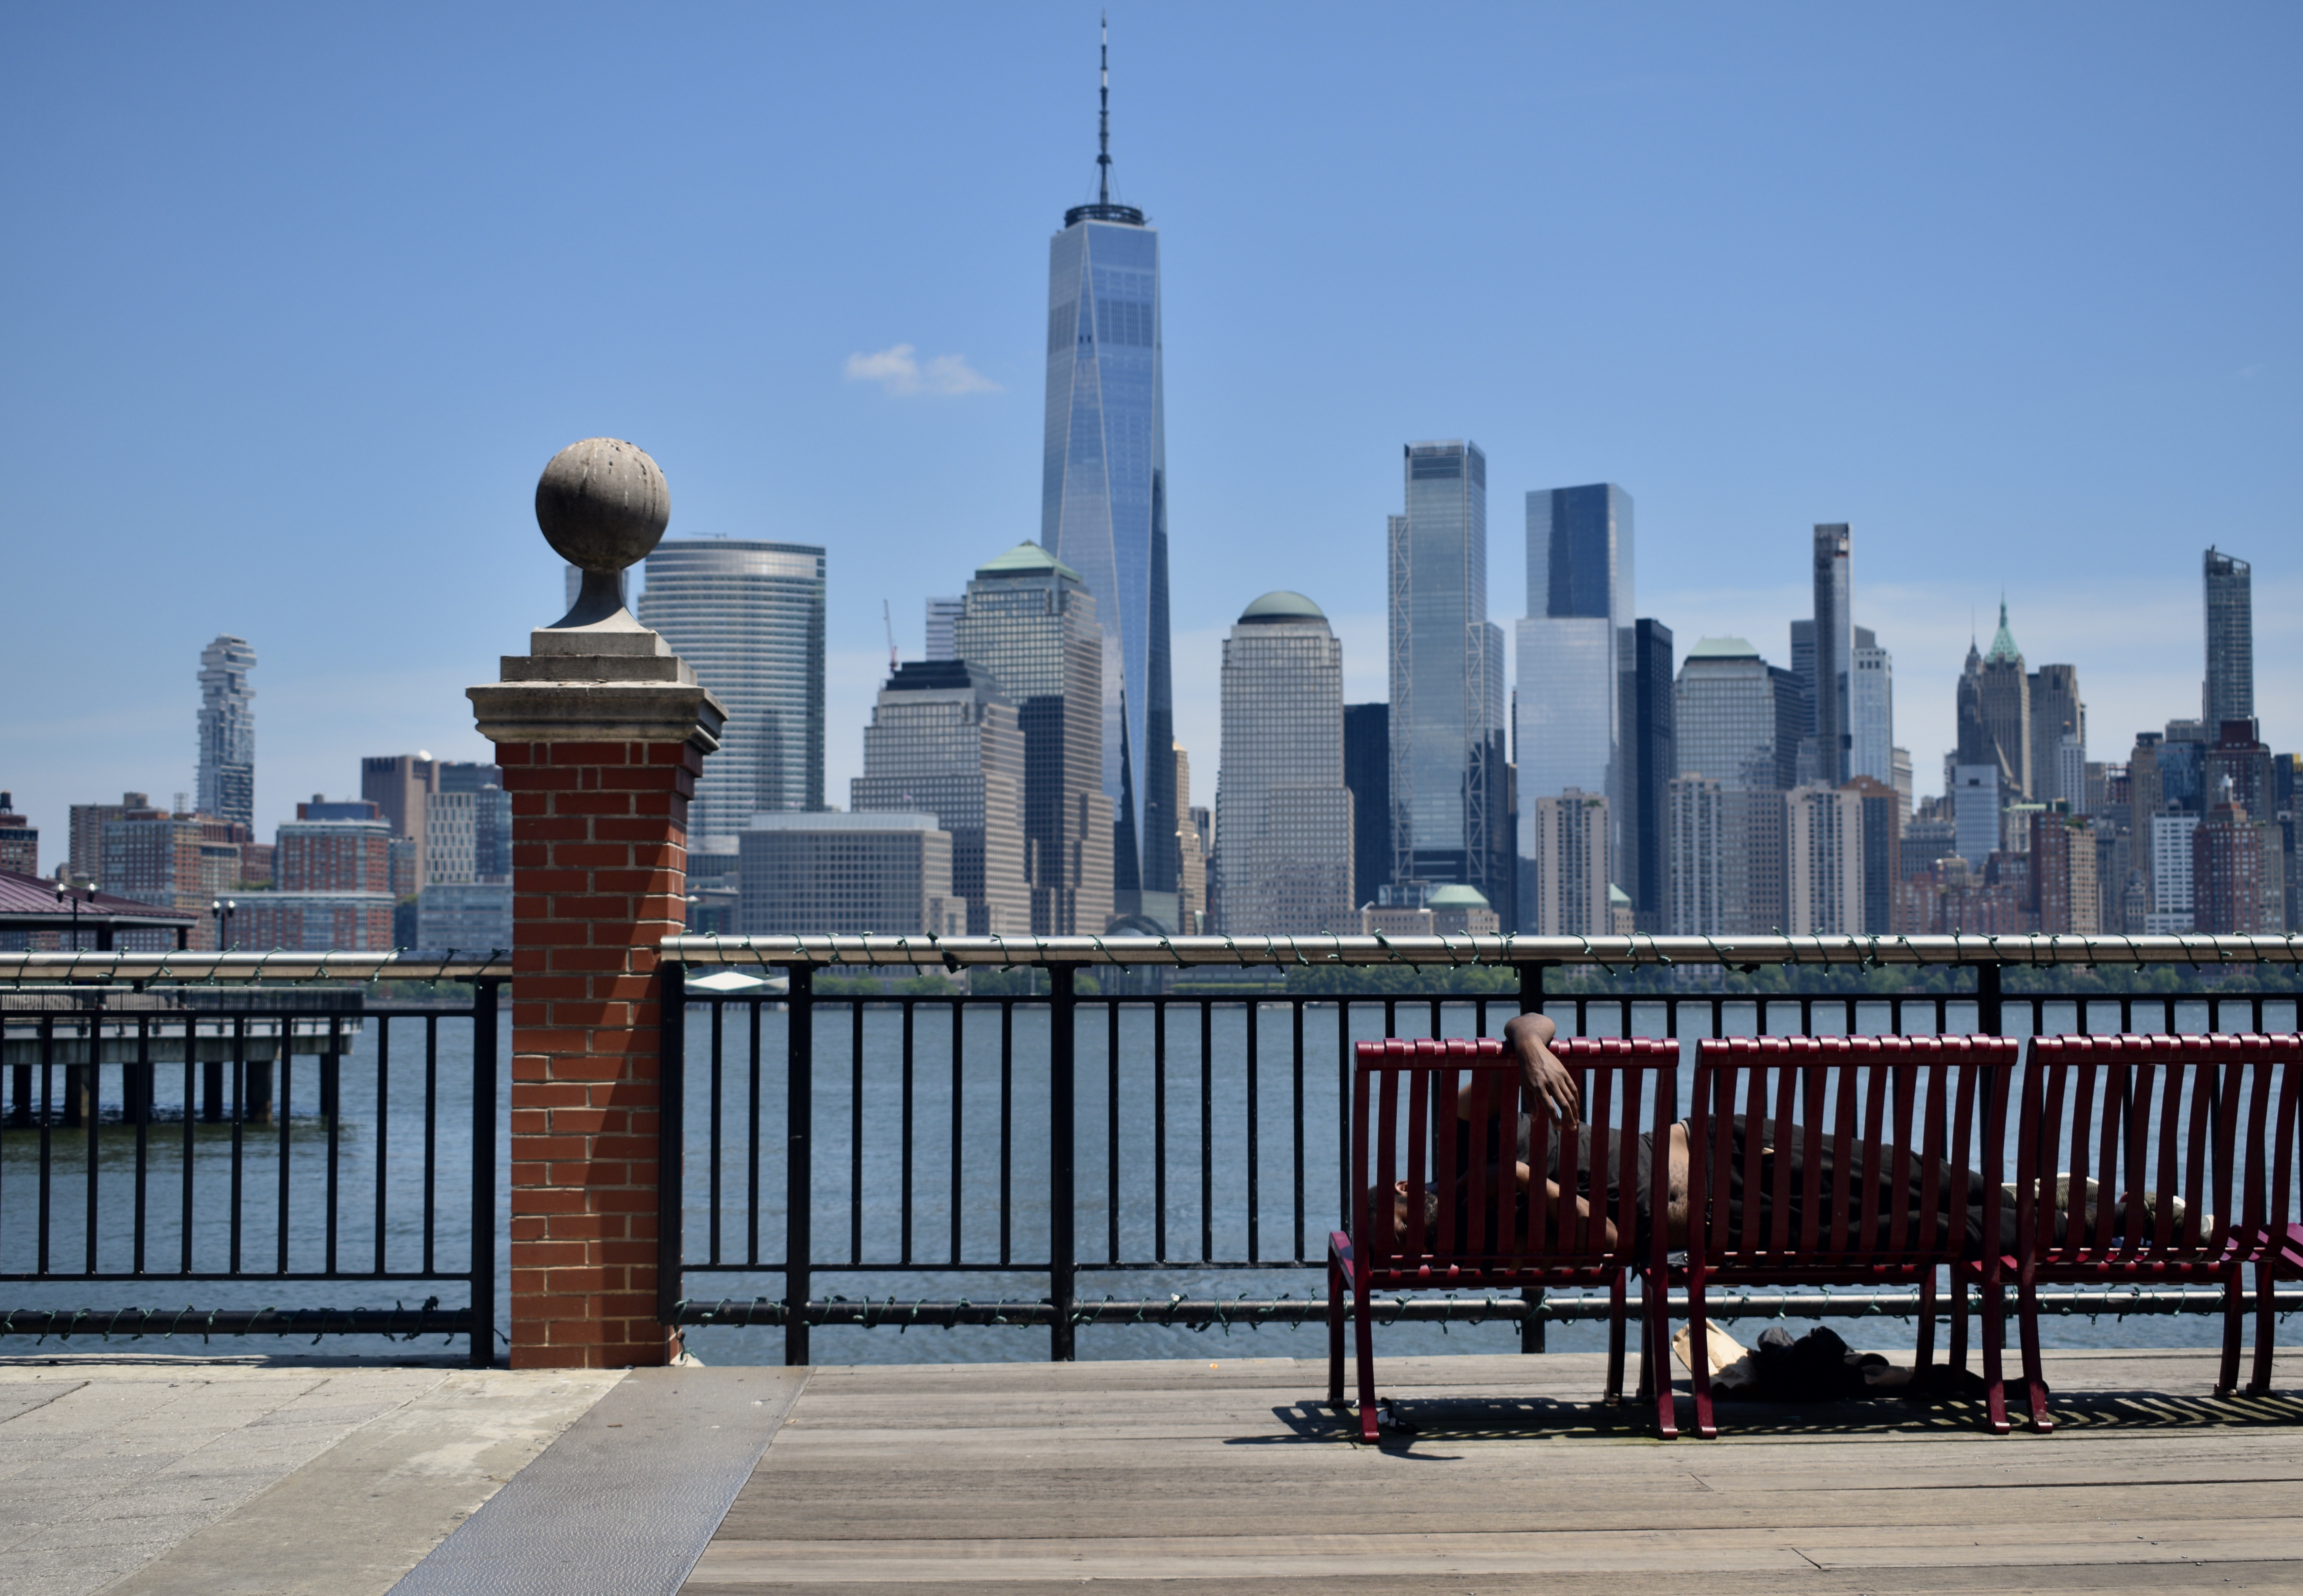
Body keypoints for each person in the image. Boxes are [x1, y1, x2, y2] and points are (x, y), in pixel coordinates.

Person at [1380, 1013, 2023, 1261]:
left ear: (1407, 1187)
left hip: (1726, 1151)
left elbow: (1531, 1022)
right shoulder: (1482, 1237)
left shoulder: (1460, 1133)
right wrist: (1512, 1179)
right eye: (1396, 1246)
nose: (1403, 1241)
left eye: (1395, 1223)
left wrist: (1529, 1047)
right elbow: (1607, 1241)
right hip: (1729, 1221)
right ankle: (2057, 1219)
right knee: (1916, 1226)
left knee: (1916, 1180)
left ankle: (2028, 1197)